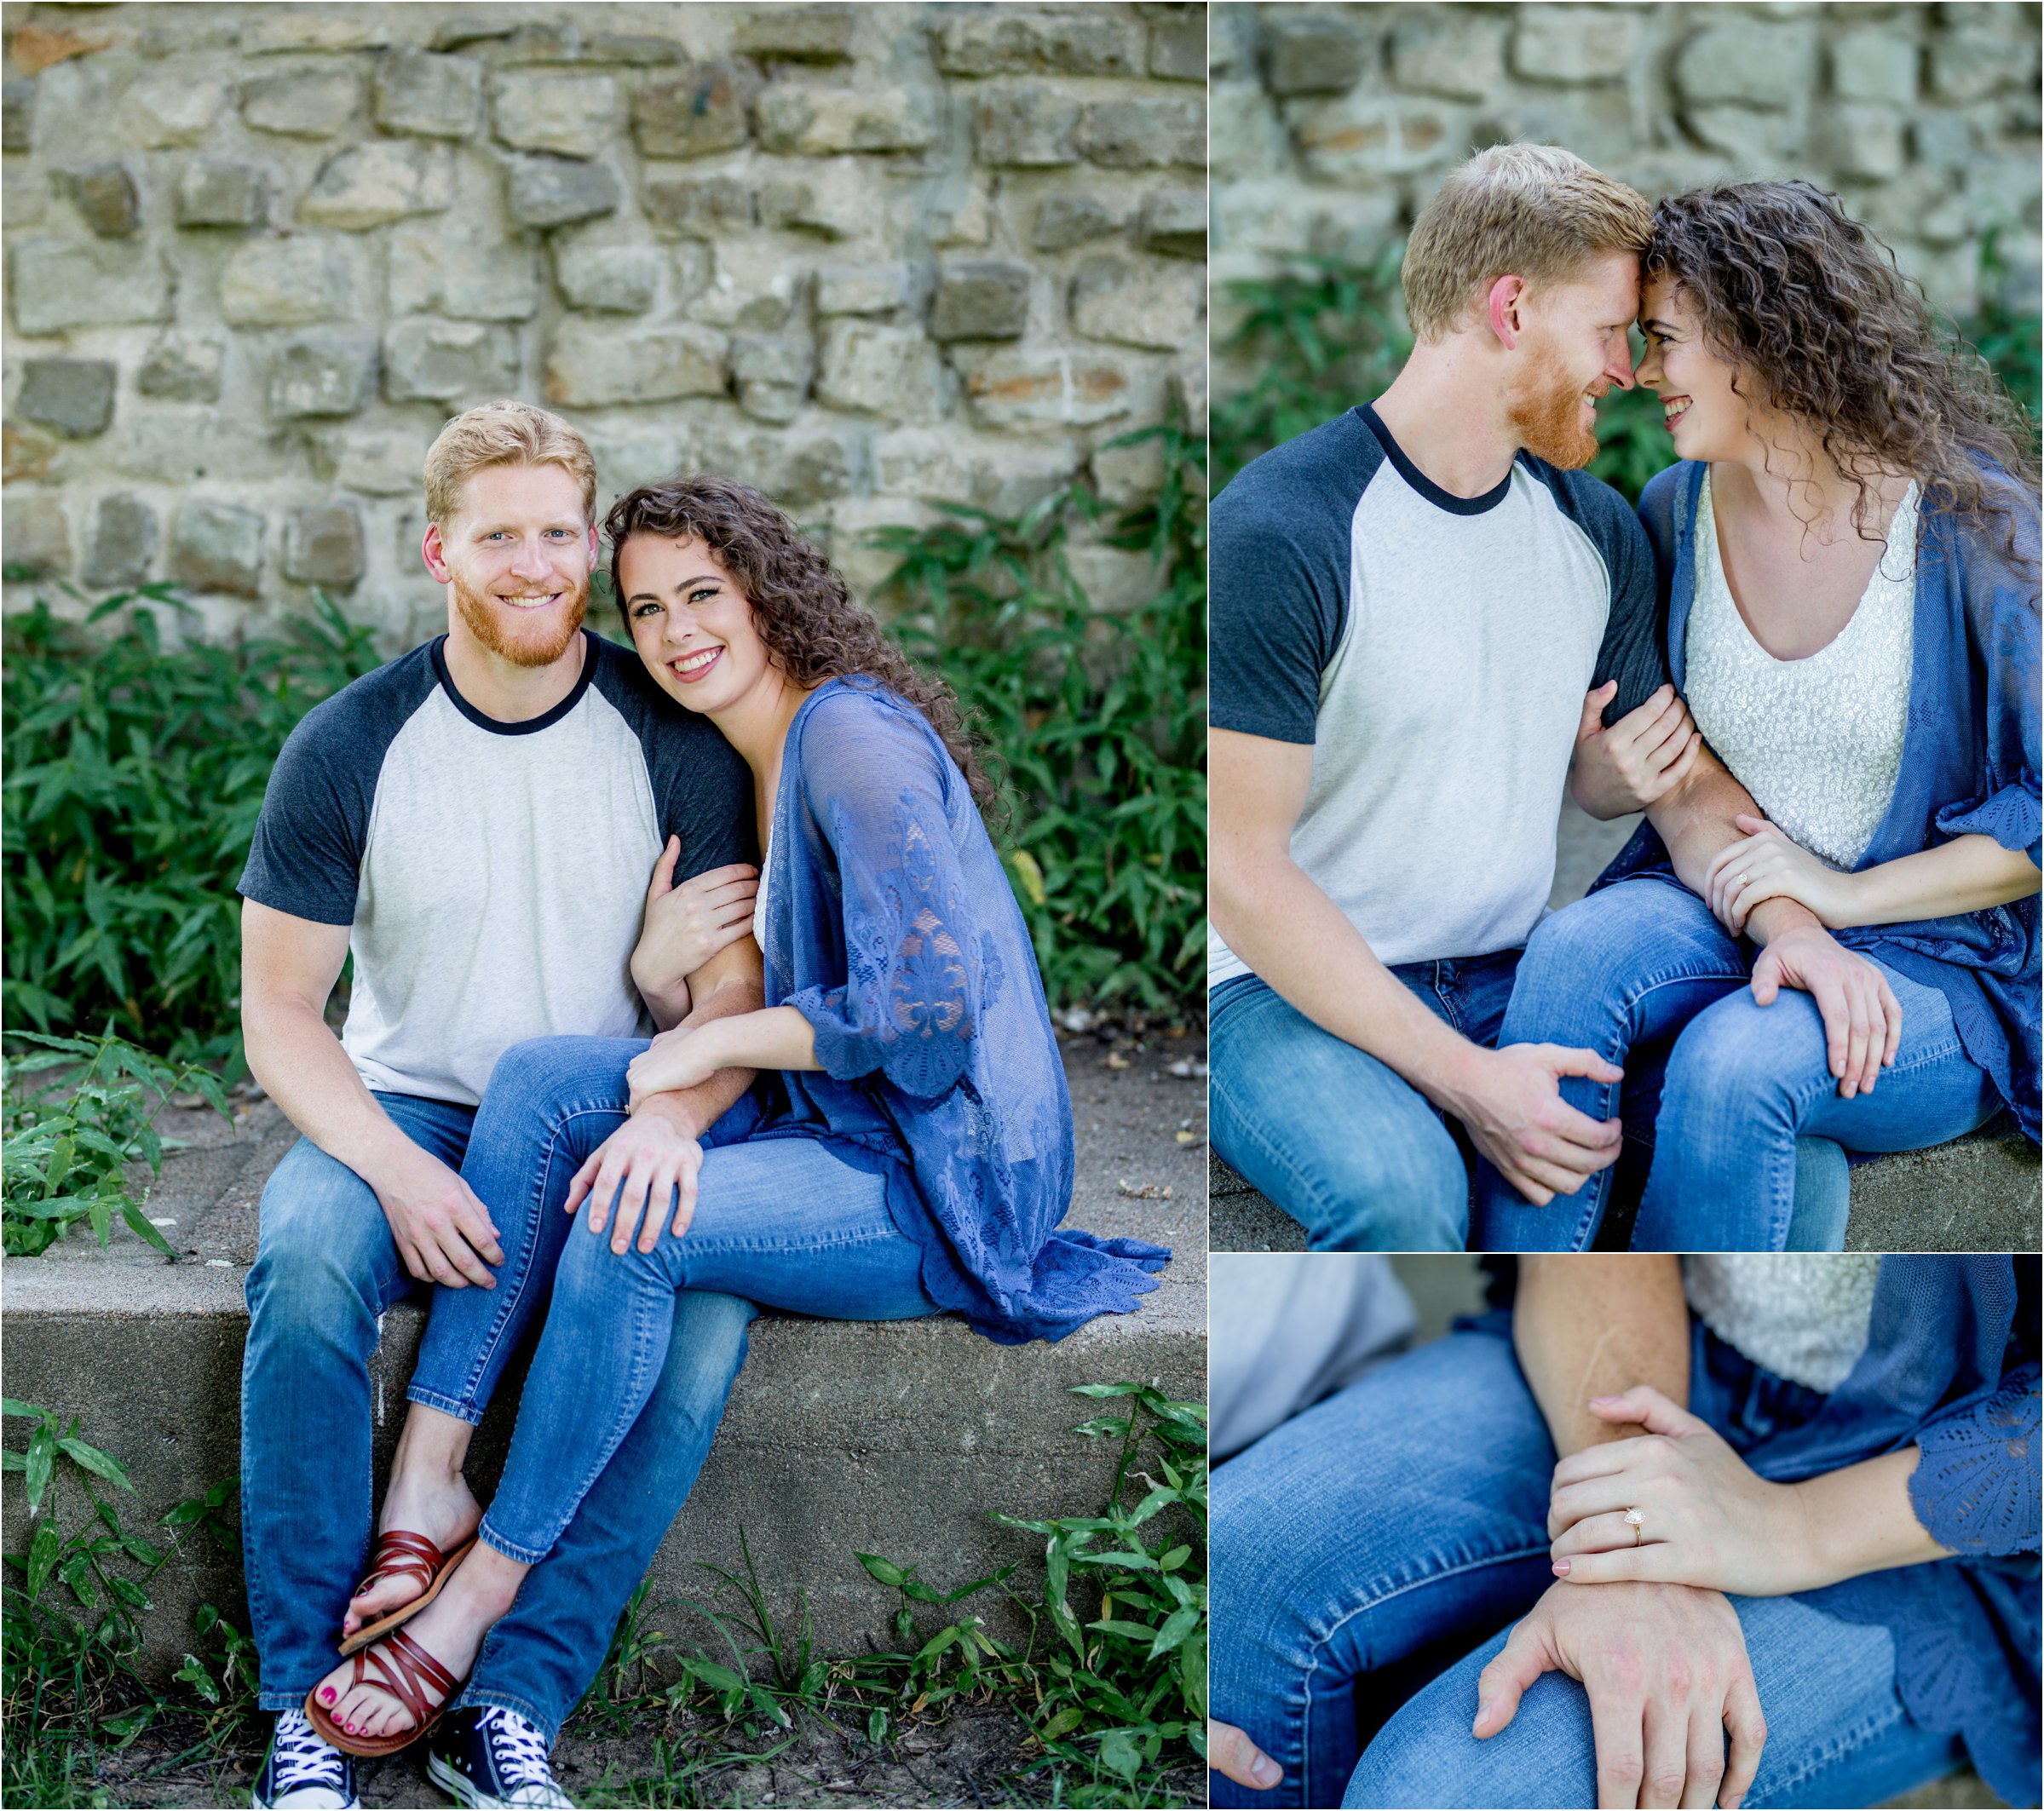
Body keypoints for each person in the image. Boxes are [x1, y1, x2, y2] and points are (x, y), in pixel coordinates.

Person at [299, 477, 1170, 1763]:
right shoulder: (754, 754)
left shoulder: (850, 741)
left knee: (627, 1225)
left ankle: (477, 1593)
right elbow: (765, 989)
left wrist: (693, 1054)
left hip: (935, 1162)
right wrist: (667, 994)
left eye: (702, 593)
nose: (672, 630)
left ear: (771, 590)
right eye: (646, 606)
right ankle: (430, 1470)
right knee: (546, 1080)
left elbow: (923, 1016)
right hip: (826, 1113)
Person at [237, 405, 772, 1809]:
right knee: (300, 1268)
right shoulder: (351, 743)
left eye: (557, 532)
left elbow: (730, 1005)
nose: (535, 564)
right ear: (438, 552)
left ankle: (508, 1699)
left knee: (695, 1342)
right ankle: (307, 1699)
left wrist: (664, 1095)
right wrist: (392, 1171)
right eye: (499, 535)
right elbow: (280, 1009)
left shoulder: (672, 736)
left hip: (605, 1105)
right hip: (404, 1107)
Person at [1207, 145, 1877, 1251]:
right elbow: (1239, 870)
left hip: (1512, 974)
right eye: (1611, 330)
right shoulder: (1286, 528)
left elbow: (1683, 791)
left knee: (1750, 1136)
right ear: (1510, 307)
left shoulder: (1594, 530)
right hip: (1284, 996)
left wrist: (1794, 926)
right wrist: (1470, 1081)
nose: (1626, 370)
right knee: (1401, 1196)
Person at [1473, 182, 2041, 1254]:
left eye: (1665, 341)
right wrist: (1785, 912)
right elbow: (1666, 772)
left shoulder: (1971, 522)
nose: (1639, 374)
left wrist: (1839, 895)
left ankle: (1697, 1383)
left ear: (1762, 338)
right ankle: (1511, 1295)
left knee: (1736, 1065)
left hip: (1947, 954)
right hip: (1728, 897)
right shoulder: (1670, 512)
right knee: (1574, 953)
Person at [1208, 1255, 2040, 1811]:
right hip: (1654, 1355)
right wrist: (1636, 1541)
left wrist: (1795, 1526)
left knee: (1440, 1789)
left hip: (1930, 1513)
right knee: (1238, 1568)